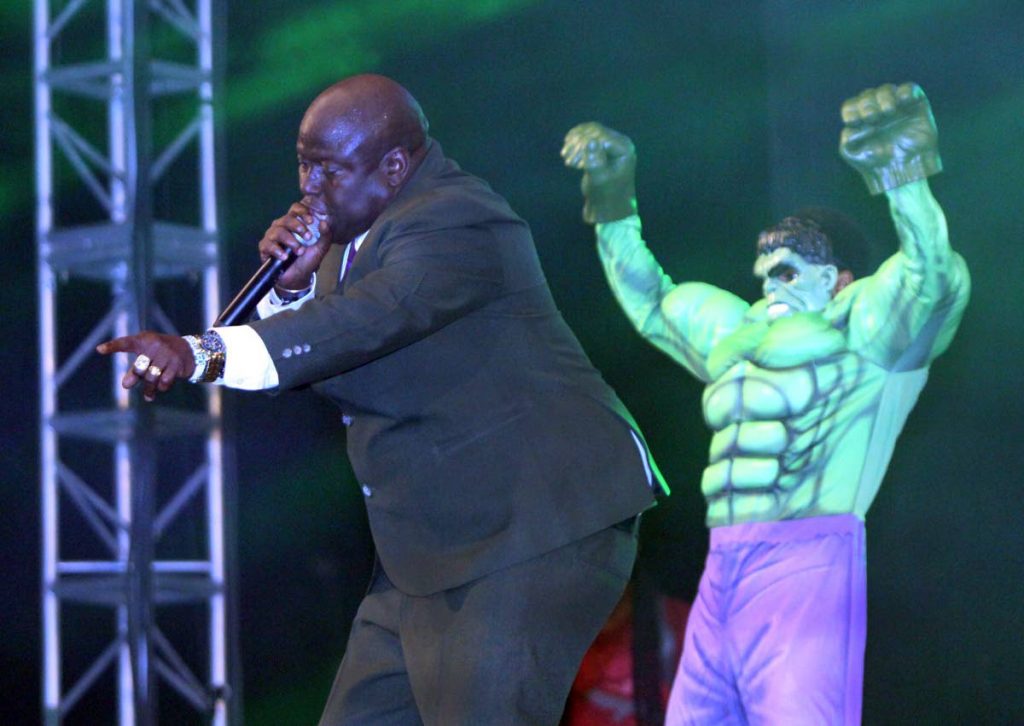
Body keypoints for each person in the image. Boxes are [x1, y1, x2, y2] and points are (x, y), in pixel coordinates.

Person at [97, 73, 669, 725]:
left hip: (534, 527)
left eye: (328, 169)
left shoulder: (457, 218)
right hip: (429, 547)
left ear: (395, 165)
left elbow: (365, 321)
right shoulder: (347, 238)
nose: (308, 188)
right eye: (303, 163)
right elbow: (338, 352)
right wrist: (288, 290)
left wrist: (204, 352)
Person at [562, 82, 969, 724]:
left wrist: (905, 178)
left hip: (807, 560)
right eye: (763, 270)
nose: (767, 283)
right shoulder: (736, 335)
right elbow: (650, 303)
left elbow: (933, 281)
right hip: (723, 563)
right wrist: (614, 203)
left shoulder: (863, 332)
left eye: (785, 270)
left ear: (837, 279)